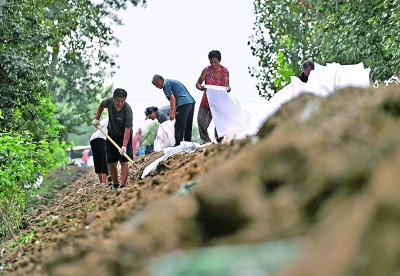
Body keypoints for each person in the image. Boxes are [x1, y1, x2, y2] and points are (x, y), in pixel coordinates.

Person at [92, 88, 133, 190]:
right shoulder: (109, 102)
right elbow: (101, 105)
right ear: (113, 98)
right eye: (118, 101)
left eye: (122, 101)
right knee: (110, 161)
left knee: (124, 161)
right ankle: (115, 185)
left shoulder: (127, 110)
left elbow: (127, 130)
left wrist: (124, 146)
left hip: (124, 137)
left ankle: (122, 186)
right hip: (111, 135)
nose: (120, 103)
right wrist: (97, 118)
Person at [195, 50, 231, 143]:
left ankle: (220, 141)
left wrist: (228, 88)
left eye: (215, 62)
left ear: (219, 60)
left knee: (219, 123)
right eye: (211, 62)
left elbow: (226, 86)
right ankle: (206, 140)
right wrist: (201, 88)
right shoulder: (206, 70)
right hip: (206, 101)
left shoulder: (225, 71)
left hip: (219, 102)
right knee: (201, 121)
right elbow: (198, 83)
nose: (213, 64)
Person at [151, 75, 195, 146]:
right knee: (187, 125)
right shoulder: (170, 81)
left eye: (155, 85)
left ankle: (178, 145)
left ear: (158, 82)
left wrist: (172, 113)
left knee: (179, 125)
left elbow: (172, 98)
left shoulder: (165, 84)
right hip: (190, 102)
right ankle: (188, 143)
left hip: (182, 103)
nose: (156, 87)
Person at [89, 118, 109, 184]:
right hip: (101, 138)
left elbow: (97, 125)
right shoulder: (113, 118)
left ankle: (101, 183)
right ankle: (103, 183)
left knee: (97, 161)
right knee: (104, 161)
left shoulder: (106, 119)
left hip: (93, 138)